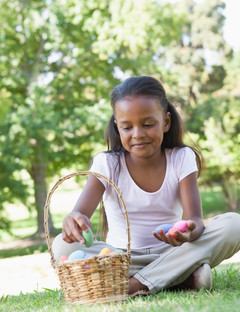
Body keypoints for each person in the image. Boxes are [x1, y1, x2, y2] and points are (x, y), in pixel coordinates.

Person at [52, 75, 240, 296]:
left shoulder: (181, 157)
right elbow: (79, 214)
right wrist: (74, 220)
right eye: (127, 127)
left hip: (172, 252)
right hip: (120, 258)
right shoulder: (107, 163)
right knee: (62, 245)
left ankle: (134, 286)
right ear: (117, 126)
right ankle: (179, 278)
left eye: (148, 124)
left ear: (166, 122)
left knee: (234, 225)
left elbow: (195, 221)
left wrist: (188, 234)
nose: (137, 134)